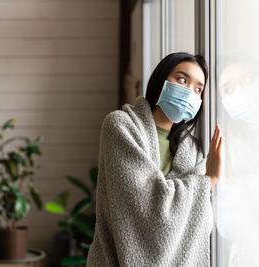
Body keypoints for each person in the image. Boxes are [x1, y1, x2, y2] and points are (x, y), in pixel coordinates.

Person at [86, 52, 224, 266]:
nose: (189, 92)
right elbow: (145, 206)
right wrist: (208, 180)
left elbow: (202, 223)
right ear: (161, 80)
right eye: (182, 79)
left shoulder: (194, 151)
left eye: (198, 89)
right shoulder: (121, 126)